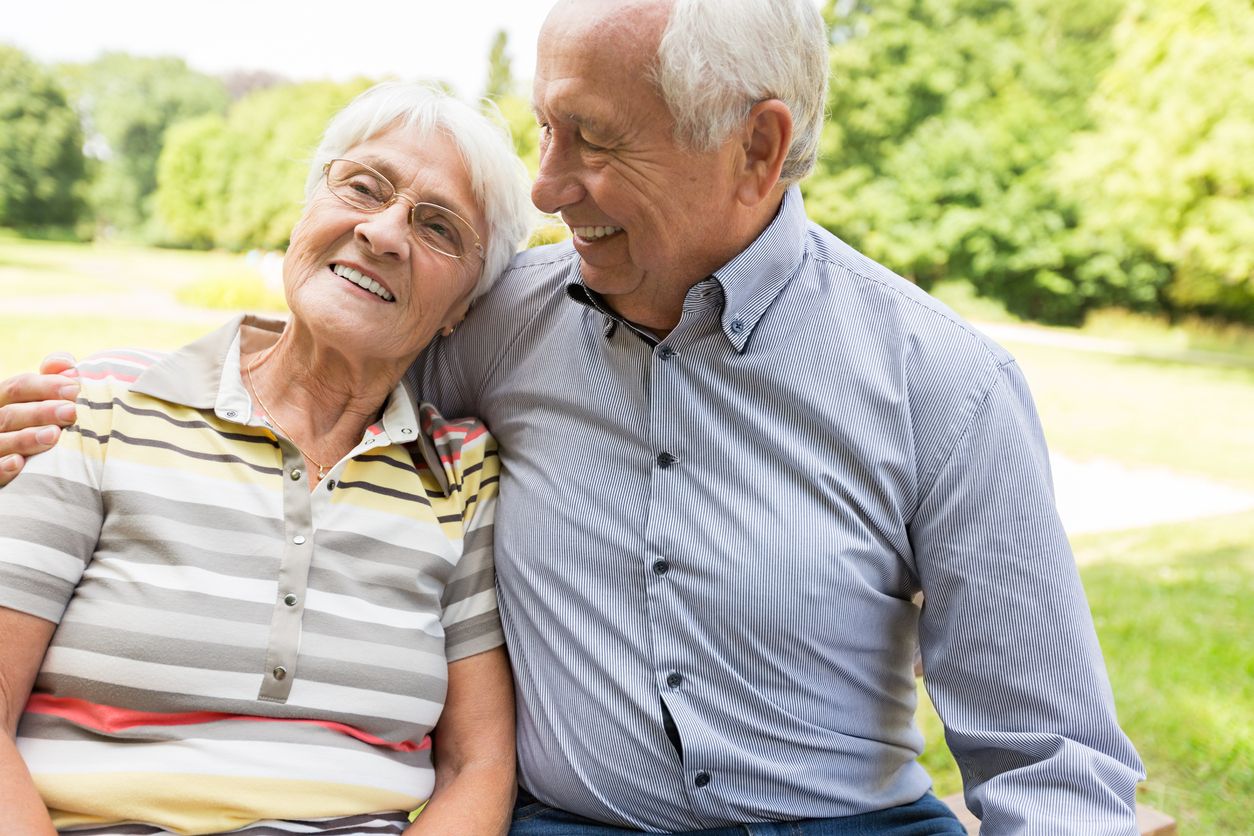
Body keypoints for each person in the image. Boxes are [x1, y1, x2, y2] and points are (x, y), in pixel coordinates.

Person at [1, 0, 1145, 833]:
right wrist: (101, 399)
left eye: (595, 141)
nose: (546, 187)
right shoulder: (506, 317)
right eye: (548, 129)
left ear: (757, 148)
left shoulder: (944, 384)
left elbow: (1051, 757)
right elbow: (328, 357)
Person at [0, 80, 534, 835]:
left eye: (438, 226)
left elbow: (476, 767)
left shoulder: (459, 474)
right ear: (306, 209)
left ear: (463, 310)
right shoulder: (103, 402)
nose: (383, 233)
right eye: (362, 186)